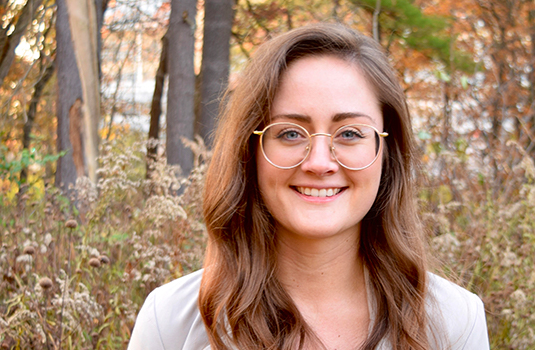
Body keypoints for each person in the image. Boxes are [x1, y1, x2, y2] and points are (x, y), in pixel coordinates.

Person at [128, 23, 489, 350]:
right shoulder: (171, 324)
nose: (319, 163)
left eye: (349, 133)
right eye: (289, 133)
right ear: (250, 151)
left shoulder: (454, 323)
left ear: (387, 152)